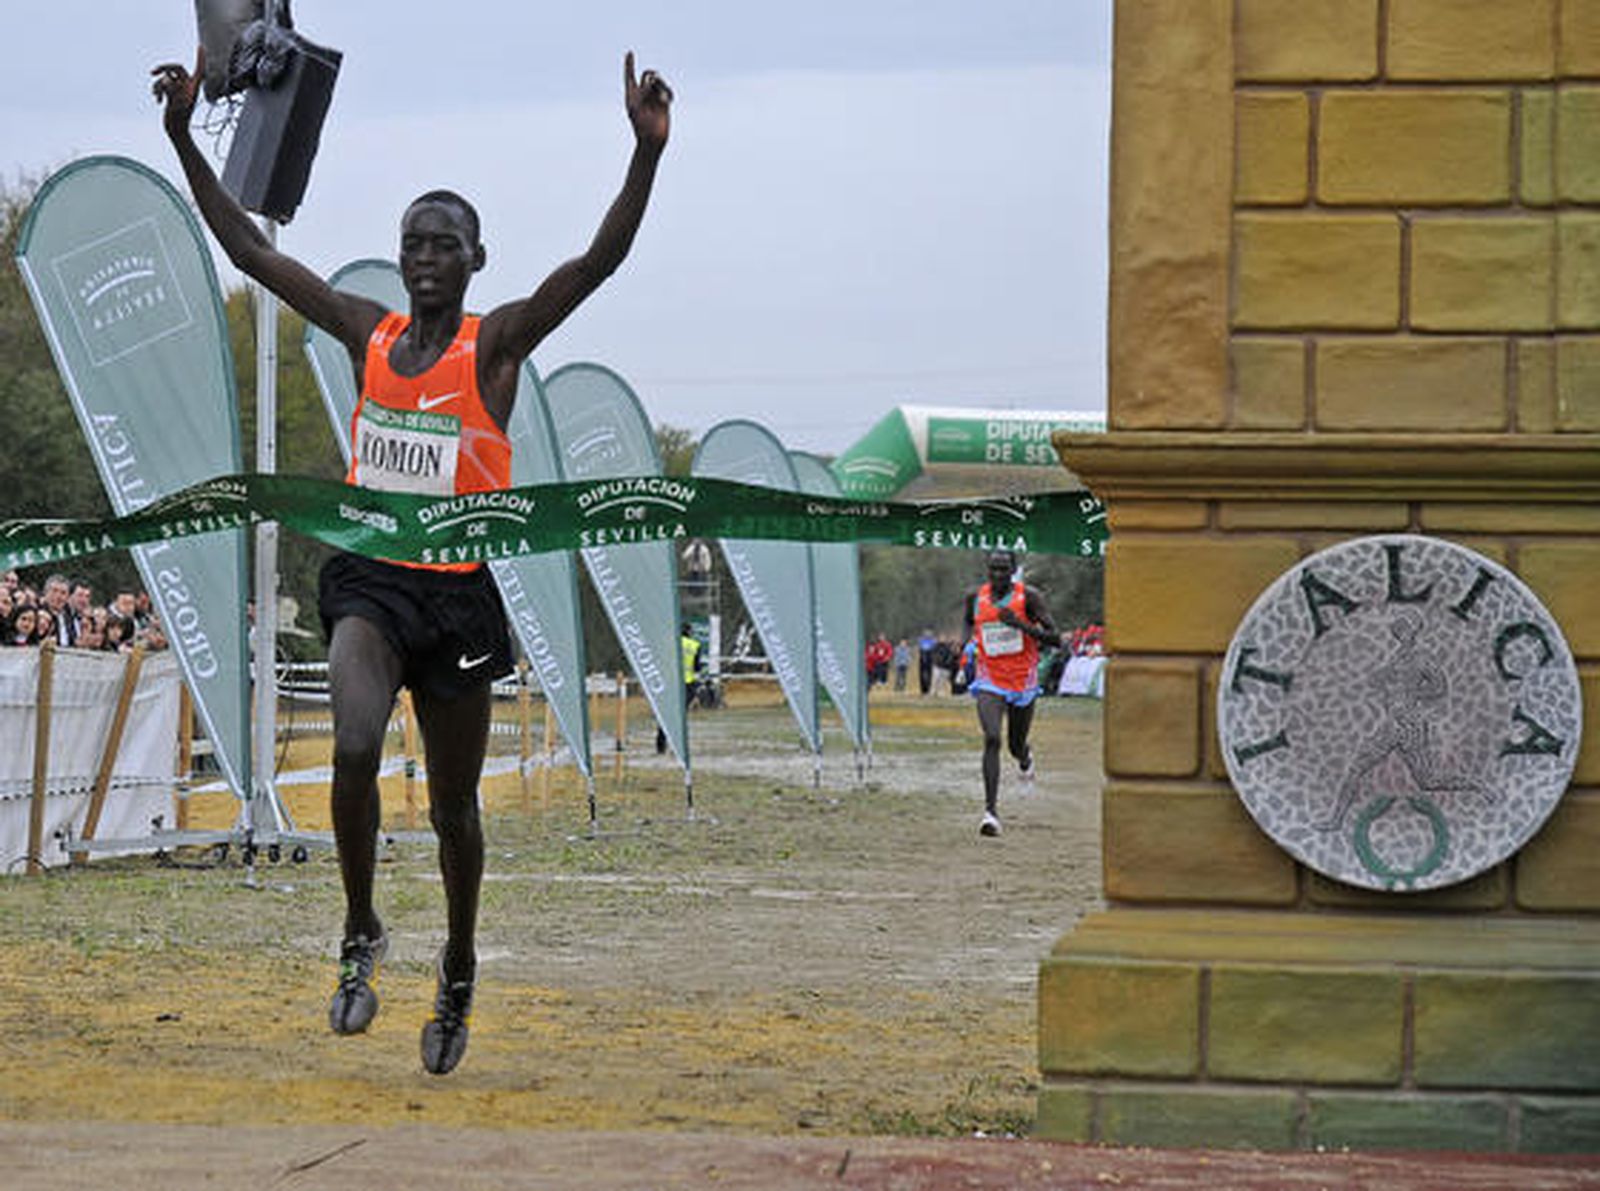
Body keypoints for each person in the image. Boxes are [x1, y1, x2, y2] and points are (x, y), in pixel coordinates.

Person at [153, 46, 672, 1075]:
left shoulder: (499, 344)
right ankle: (359, 931)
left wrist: (644, 155)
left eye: (445, 244)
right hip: (374, 580)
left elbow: (595, 265)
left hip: (460, 599)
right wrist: (179, 138)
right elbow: (257, 262)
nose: (425, 256)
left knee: (452, 810)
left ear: (476, 259)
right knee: (351, 744)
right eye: (412, 243)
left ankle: (462, 962)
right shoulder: (367, 333)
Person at [962, 549, 1062, 838]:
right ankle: (990, 813)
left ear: (1013, 571)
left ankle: (1025, 757)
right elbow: (969, 621)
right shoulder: (975, 597)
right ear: (987, 569)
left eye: (1004, 570)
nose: (998, 575)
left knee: (1014, 745)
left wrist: (1019, 625)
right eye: (993, 569)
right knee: (992, 738)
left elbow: (1055, 638)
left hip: (1022, 681)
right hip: (989, 677)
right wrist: (962, 642)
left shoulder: (1029, 597)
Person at [658, 623, 702, 754]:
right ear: (690, 632)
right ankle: (678, 745)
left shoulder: (669, 644)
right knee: (680, 716)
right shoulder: (695, 645)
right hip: (687, 685)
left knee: (666, 715)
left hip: (670, 683)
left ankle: (661, 745)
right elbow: (697, 668)